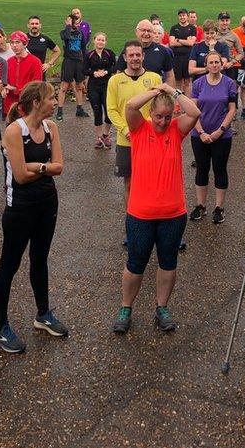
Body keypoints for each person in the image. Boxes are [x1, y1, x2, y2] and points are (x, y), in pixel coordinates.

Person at [112, 81, 201, 334]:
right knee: (135, 263)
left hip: (173, 213)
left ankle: (162, 307)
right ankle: (126, 307)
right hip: (140, 213)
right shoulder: (140, 128)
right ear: (151, 114)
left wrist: (173, 92)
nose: (162, 122)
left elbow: (194, 113)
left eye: (166, 116)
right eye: (158, 116)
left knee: (168, 262)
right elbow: (130, 105)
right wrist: (156, 91)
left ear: (173, 114)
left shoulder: (176, 129)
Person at [0, 81, 67, 353]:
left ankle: (43, 314)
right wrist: (42, 168)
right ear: (36, 102)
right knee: (9, 265)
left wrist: (38, 165)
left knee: (40, 258)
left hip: (47, 202)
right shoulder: (14, 131)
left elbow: (59, 167)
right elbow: (21, 177)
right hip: (20, 207)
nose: (55, 102)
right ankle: (0, 327)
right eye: (51, 98)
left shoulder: (52, 127)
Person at [108, 42, 163, 234]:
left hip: (150, 139)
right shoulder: (115, 81)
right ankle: (132, 223)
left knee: (154, 181)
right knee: (130, 182)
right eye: (130, 55)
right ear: (124, 57)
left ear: (143, 56)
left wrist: (145, 129)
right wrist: (125, 130)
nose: (134, 58)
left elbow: (159, 107)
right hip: (127, 141)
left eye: (138, 55)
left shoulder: (154, 78)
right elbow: (112, 110)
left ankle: (155, 221)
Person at [188, 52, 236, 225]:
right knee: (201, 168)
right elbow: (193, 109)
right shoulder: (198, 83)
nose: (214, 65)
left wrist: (220, 130)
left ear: (221, 64)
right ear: (206, 64)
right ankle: (200, 205)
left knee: (219, 169)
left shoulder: (230, 83)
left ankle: (219, 207)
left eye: (217, 62)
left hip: (222, 136)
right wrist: (201, 132)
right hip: (199, 134)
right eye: (211, 62)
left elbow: (232, 109)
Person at [115, 19, 175, 87]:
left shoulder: (162, 51)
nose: (146, 33)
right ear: (136, 32)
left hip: (155, 94)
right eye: (143, 30)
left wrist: (169, 92)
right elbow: (118, 74)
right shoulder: (129, 50)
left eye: (149, 31)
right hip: (133, 94)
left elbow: (170, 75)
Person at [85, 32, 116, 149]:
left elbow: (116, 66)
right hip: (93, 85)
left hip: (107, 85)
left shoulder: (109, 53)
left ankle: (106, 134)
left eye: (103, 40)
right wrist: (94, 73)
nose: (100, 42)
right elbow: (84, 69)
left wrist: (106, 72)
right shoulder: (89, 55)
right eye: (98, 40)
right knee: (97, 111)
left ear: (105, 42)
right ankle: (98, 138)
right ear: (94, 40)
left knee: (109, 112)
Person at [57, 14, 89, 121]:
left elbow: (83, 46)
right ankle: (60, 111)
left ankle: (79, 109)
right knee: (64, 87)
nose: (77, 24)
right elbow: (65, 37)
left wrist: (85, 60)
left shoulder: (80, 33)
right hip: (68, 61)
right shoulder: (64, 32)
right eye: (74, 22)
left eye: (78, 22)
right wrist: (68, 26)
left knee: (80, 86)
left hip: (79, 61)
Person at [4, 31, 43, 117]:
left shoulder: (35, 62)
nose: (14, 45)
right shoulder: (9, 61)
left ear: (25, 44)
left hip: (27, 107)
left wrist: (15, 89)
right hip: (11, 107)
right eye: (12, 42)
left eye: (18, 42)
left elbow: (36, 86)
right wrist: (4, 87)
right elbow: (5, 82)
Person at [169, 9, 197, 90]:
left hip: (188, 58)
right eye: (180, 16)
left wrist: (178, 40)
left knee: (188, 81)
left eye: (184, 15)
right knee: (177, 81)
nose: (182, 17)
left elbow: (191, 43)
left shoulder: (192, 28)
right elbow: (171, 43)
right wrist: (186, 41)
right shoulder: (174, 28)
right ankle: (178, 102)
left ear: (187, 16)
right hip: (177, 58)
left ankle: (188, 100)